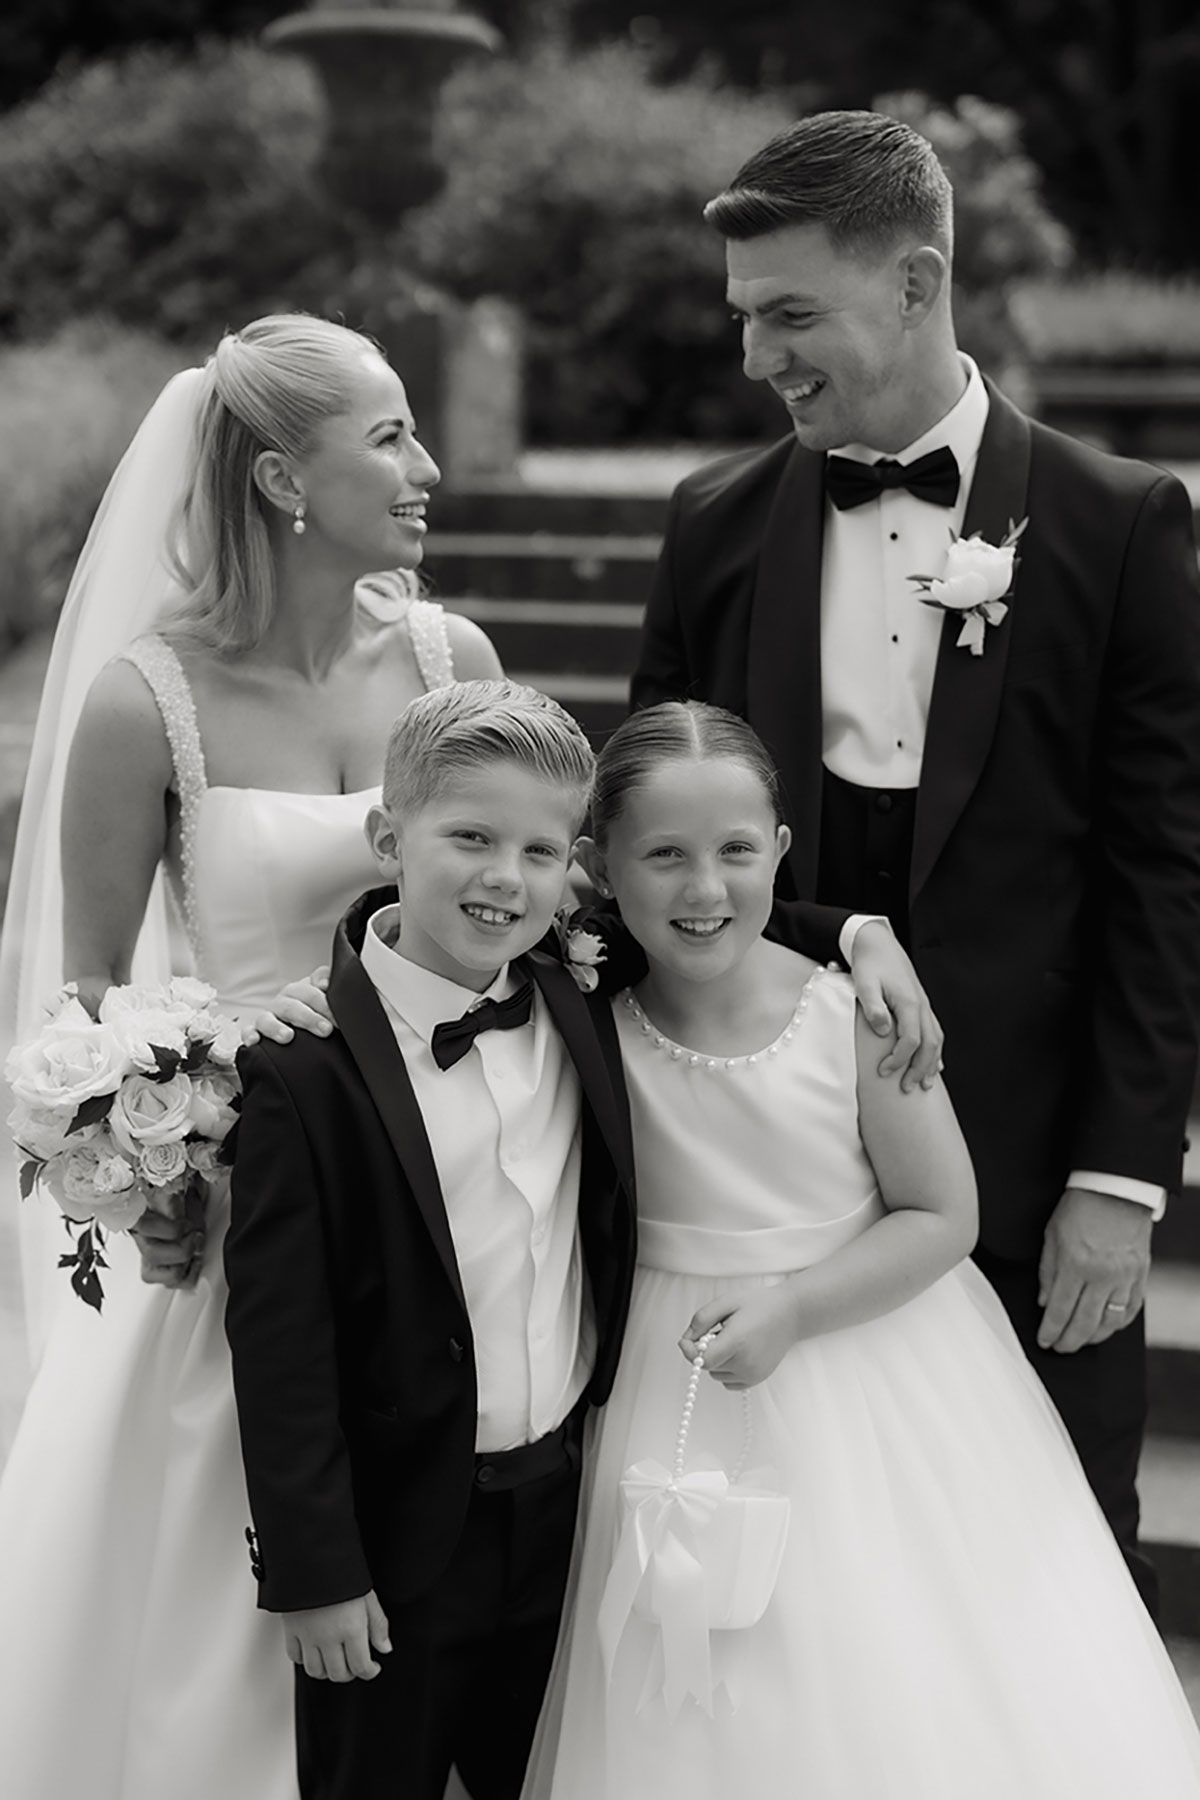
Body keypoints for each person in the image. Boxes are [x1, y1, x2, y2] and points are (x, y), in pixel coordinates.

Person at [631, 109, 1200, 1608]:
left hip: (1030, 1183)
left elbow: (1168, 872)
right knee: (804, 1617)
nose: (760, 358)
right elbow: (646, 850)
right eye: (747, 319)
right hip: (772, 1188)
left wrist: (1121, 1181)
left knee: (1057, 1600)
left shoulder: (1120, 524)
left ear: (915, 280)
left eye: (793, 314)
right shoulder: (711, 529)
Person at [521, 701, 1200, 1800]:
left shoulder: (856, 1019)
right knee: (687, 1667)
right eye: (665, 856)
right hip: (661, 1375)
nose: (705, 890)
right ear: (599, 867)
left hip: (861, 1364)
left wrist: (793, 1309)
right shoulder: (584, 1016)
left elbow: (943, 1216)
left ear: (781, 854)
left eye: (738, 852)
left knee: (873, 1643)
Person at [0, 313, 501, 1800]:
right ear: (285, 478)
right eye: (390, 437)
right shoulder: (141, 700)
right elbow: (86, 993)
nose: (428, 465)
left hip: (459, 1159)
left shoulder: (446, 653)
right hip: (241, 1195)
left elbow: (534, 879)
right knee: (214, 1600)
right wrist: (137, 1156)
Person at [222, 679, 639, 1800]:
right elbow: (280, 1343)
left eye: (542, 851)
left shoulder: (578, 993)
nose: (507, 876)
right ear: (385, 836)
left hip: (565, 1512)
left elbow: (715, 908)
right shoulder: (302, 1069)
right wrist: (314, 1572)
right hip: (398, 1539)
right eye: (471, 837)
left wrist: (854, 929)